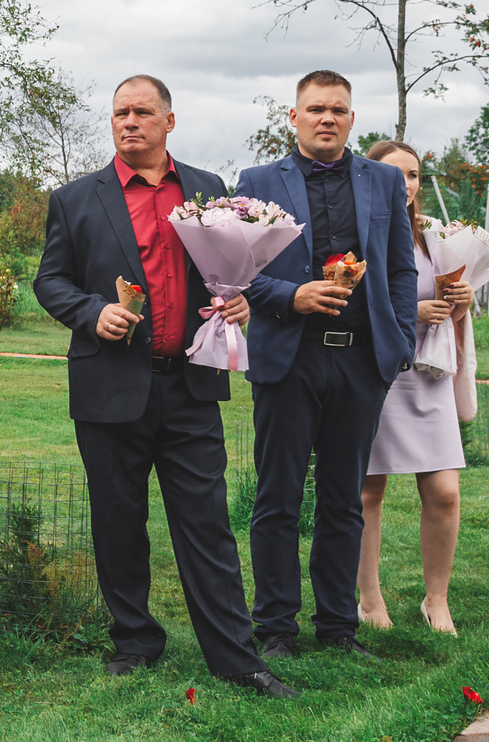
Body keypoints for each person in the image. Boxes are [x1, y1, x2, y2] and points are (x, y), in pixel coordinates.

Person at [31, 75, 297, 698]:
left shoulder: (208, 190)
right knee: (118, 519)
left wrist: (238, 304)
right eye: (120, 112)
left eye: (143, 112)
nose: (130, 123)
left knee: (206, 523)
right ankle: (135, 641)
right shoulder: (76, 199)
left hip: (191, 384)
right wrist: (91, 312)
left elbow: (232, 272)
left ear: (169, 122)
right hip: (110, 384)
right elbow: (51, 281)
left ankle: (237, 658)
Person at [236, 71, 419, 661]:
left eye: (338, 110)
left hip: (360, 362)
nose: (327, 118)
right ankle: (277, 629)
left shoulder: (385, 181)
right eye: (315, 108)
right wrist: (293, 296)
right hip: (289, 359)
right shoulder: (258, 182)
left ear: (352, 119)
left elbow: (399, 269)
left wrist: (400, 344)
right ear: (293, 117)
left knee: (345, 500)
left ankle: (339, 627)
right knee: (278, 498)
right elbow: (238, 272)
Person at [357, 139, 471, 634]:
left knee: (445, 493)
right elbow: (346, 300)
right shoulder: (357, 230)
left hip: (426, 377)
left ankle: (437, 599)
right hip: (375, 374)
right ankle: (369, 598)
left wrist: (461, 300)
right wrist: (407, 313)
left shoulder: (435, 238)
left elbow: (449, 307)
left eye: (414, 175)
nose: (406, 184)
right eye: (395, 174)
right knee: (366, 493)